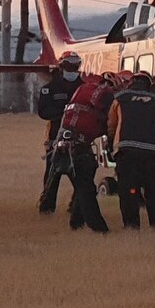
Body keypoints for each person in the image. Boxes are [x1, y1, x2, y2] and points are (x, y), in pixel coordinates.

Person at [49, 71, 119, 233]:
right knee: (86, 189)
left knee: (83, 186)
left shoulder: (82, 90)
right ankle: (99, 228)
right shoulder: (104, 93)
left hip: (64, 145)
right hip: (77, 147)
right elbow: (109, 122)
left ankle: (76, 222)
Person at [106, 71, 155, 229]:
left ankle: (132, 225)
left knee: (128, 189)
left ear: (131, 82)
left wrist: (112, 144)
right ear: (149, 85)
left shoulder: (120, 98)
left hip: (125, 151)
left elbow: (111, 125)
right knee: (152, 189)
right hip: (150, 152)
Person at [36, 50, 84, 213]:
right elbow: (43, 112)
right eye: (68, 66)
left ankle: (77, 207)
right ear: (61, 67)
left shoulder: (84, 88)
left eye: (75, 66)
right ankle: (46, 209)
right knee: (52, 174)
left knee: (80, 175)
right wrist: (65, 113)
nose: (72, 69)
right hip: (54, 138)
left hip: (80, 138)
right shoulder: (49, 89)